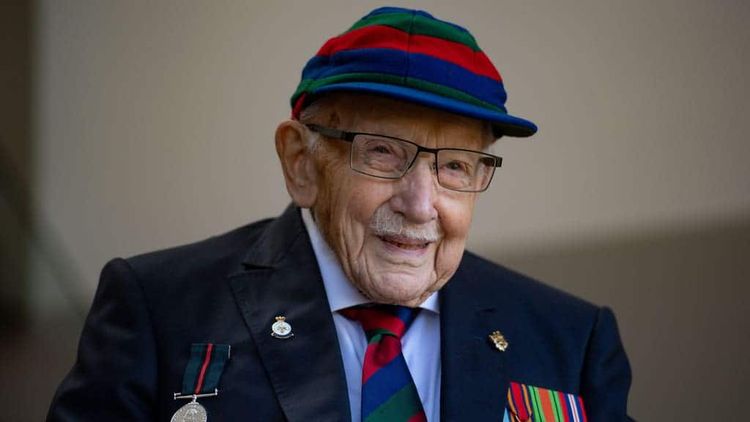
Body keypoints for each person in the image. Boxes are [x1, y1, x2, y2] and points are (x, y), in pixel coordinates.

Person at [47, 7, 632, 422]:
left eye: (455, 165)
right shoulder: (159, 310)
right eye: (382, 153)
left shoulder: (571, 340)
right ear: (301, 162)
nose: (420, 204)